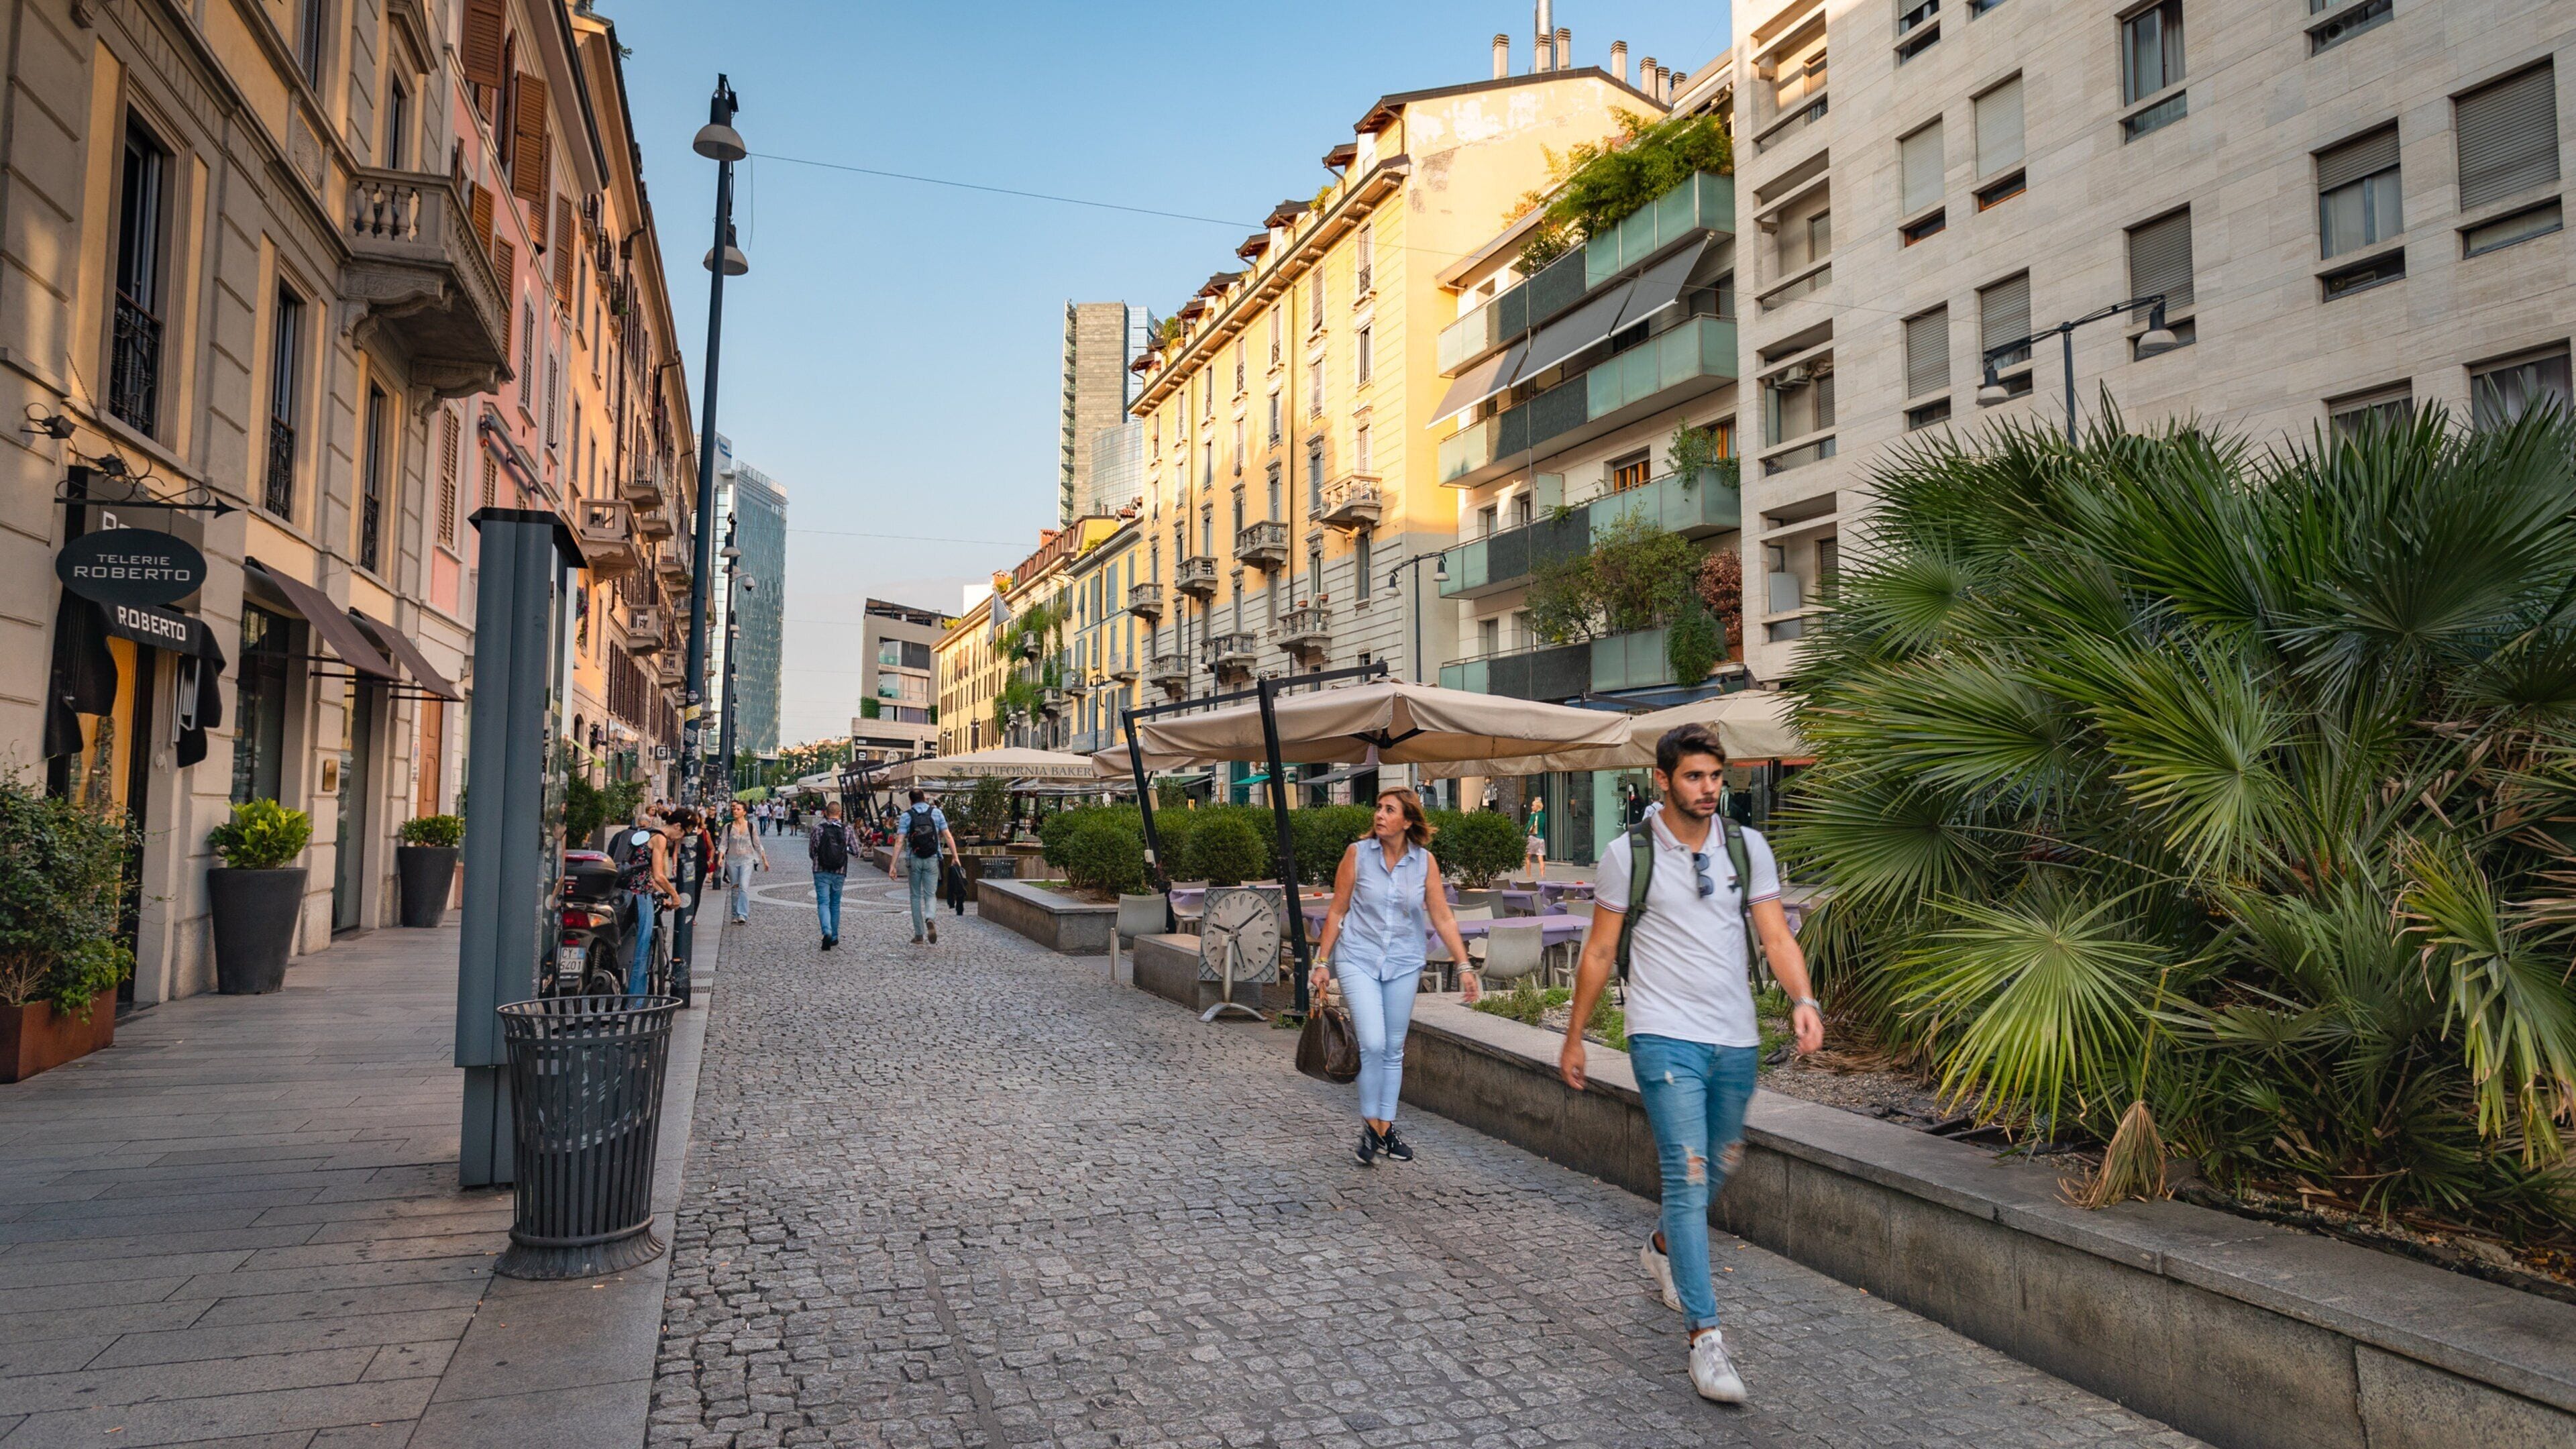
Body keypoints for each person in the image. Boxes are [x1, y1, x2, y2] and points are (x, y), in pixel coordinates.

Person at [1560, 722, 1823, 1407]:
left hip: (1733, 1035)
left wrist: (1803, 997)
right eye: (1694, 778)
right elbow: (1597, 952)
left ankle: (1661, 1246)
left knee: (1724, 1158)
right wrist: (1575, 1035)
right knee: (1689, 1173)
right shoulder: (1629, 854)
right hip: (1663, 1034)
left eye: (1715, 777)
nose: (1709, 790)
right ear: (1664, 780)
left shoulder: (1748, 846)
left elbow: (1773, 930)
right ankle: (1706, 1340)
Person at [1309, 788, 1480, 1168]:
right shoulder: (1357, 854)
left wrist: (1464, 965)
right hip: (1358, 958)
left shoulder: (1424, 862)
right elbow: (1337, 909)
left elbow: (1443, 917)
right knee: (1372, 1043)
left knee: (1393, 1048)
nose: (1379, 815)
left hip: (1404, 960)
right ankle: (1377, 1128)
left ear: (1407, 821)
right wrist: (1322, 960)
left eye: (1389, 810)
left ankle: (1382, 1128)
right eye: (1378, 807)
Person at [614, 811, 679, 997]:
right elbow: (657, 875)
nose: (680, 839)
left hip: (623, 894)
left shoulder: (641, 835)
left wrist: (660, 892)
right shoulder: (660, 838)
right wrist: (674, 895)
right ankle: (636, 999)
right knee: (642, 947)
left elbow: (643, 871)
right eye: (683, 834)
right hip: (641, 896)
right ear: (678, 827)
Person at [897, 788, 960, 944]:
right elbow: (948, 835)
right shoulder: (937, 813)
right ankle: (930, 918)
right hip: (932, 858)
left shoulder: (906, 816)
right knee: (930, 894)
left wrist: (893, 865)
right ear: (925, 798)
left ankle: (919, 935)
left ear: (911, 801)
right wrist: (955, 856)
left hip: (914, 859)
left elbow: (899, 841)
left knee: (915, 896)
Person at [808, 800, 855, 949]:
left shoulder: (818, 828)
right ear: (840, 813)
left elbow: (812, 851)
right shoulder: (847, 829)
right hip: (840, 871)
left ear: (825, 813)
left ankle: (826, 931)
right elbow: (856, 850)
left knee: (823, 902)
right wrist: (842, 850)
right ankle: (834, 936)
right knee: (835, 904)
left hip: (820, 870)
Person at [722, 801, 769, 925]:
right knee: (735, 887)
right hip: (732, 861)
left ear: (744, 812)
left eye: (738, 809)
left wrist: (764, 859)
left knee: (743, 886)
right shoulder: (728, 827)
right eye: (734, 809)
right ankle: (734, 914)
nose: (735, 811)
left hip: (747, 860)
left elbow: (758, 844)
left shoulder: (751, 826)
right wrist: (719, 858)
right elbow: (723, 844)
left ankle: (742, 914)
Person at [1524, 797, 1548, 879]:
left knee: (1528, 857)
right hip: (1541, 838)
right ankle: (1542, 875)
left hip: (1533, 837)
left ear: (1537, 807)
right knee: (1541, 858)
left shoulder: (1534, 815)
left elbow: (1529, 826)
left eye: (1533, 805)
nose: (1532, 807)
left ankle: (1528, 876)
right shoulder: (1543, 815)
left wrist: (1524, 834)